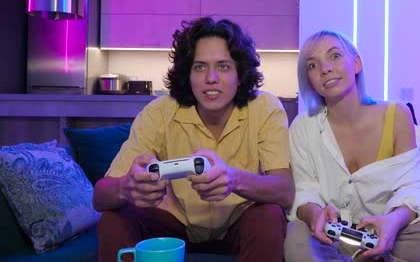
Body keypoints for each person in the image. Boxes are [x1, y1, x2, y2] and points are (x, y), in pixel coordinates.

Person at [93, 17, 294, 262]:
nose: (211, 78)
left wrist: (233, 179)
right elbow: (100, 197)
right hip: (175, 223)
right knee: (113, 219)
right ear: (188, 74)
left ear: (240, 75)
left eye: (223, 66)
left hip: (240, 223)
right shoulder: (159, 112)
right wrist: (127, 187)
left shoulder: (265, 108)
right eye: (199, 67)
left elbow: (284, 191)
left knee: (269, 217)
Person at [284, 30, 420, 262]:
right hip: (332, 235)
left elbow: (413, 185)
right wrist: (315, 214)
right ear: (310, 81)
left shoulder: (397, 115)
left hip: (386, 231)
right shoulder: (302, 127)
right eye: (313, 65)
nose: (325, 69)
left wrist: (393, 222)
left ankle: (373, 252)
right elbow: (304, 190)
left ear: (356, 64)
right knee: (296, 236)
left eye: (334, 56)